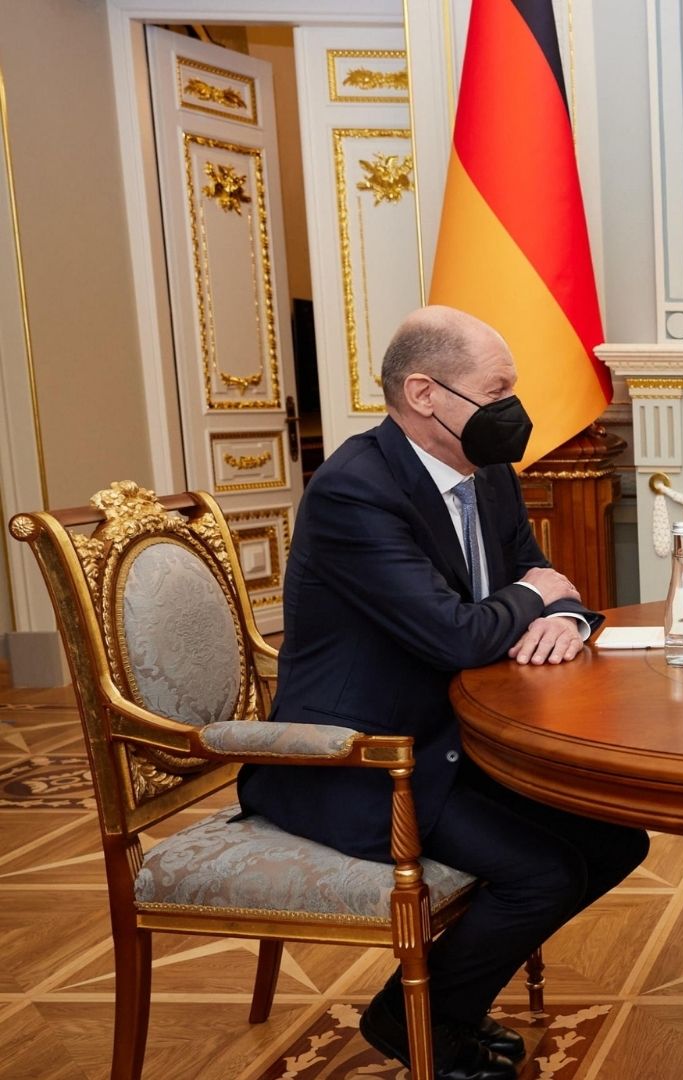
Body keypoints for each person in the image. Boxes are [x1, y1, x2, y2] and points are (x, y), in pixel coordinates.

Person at [237, 307, 650, 1080]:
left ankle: (439, 1010)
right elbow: (458, 635)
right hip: (363, 757)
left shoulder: (485, 472)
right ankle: (417, 1018)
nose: (512, 412)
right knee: (544, 872)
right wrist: (537, 595)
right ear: (425, 394)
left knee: (619, 836)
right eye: (496, 391)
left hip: (454, 738)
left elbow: (542, 580)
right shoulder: (353, 491)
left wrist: (562, 616)